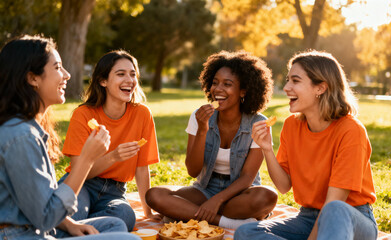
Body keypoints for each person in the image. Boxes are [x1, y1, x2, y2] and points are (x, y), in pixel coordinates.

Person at [0, 35, 139, 240]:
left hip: (33, 227)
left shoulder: (25, 129)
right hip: (20, 235)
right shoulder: (21, 137)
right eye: (57, 68)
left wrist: (70, 225)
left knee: (114, 223)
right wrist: (86, 160)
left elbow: (33, 200)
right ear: (33, 78)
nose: (67, 75)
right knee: (129, 239)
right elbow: (46, 217)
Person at [235, 50, 378, 240]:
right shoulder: (291, 125)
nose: (286, 87)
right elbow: (284, 185)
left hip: (349, 217)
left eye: (295, 81)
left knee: (334, 209)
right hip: (308, 216)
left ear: (320, 88)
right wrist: (267, 149)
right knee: (246, 232)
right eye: (288, 80)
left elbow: (335, 201)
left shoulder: (351, 131)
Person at [146, 50, 278, 229]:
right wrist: (202, 130)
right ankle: (224, 221)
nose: (218, 89)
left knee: (267, 196)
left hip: (240, 192)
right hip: (205, 189)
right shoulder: (199, 116)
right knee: (154, 195)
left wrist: (217, 200)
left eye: (227, 84)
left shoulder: (258, 123)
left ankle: (188, 213)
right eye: (215, 83)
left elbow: (247, 177)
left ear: (243, 91)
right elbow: (193, 171)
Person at [58, 50, 160, 233]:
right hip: (82, 184)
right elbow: (79, 171)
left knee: (125, 216)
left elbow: (142, 167)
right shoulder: (83, 115)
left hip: (115, 192)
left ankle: (86, 229)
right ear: (102, 81)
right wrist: (113, 157)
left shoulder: (142, 114)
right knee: (73, 215)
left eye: (132, 74)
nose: (129, 80)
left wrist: (148, 212)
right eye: (121, 74)